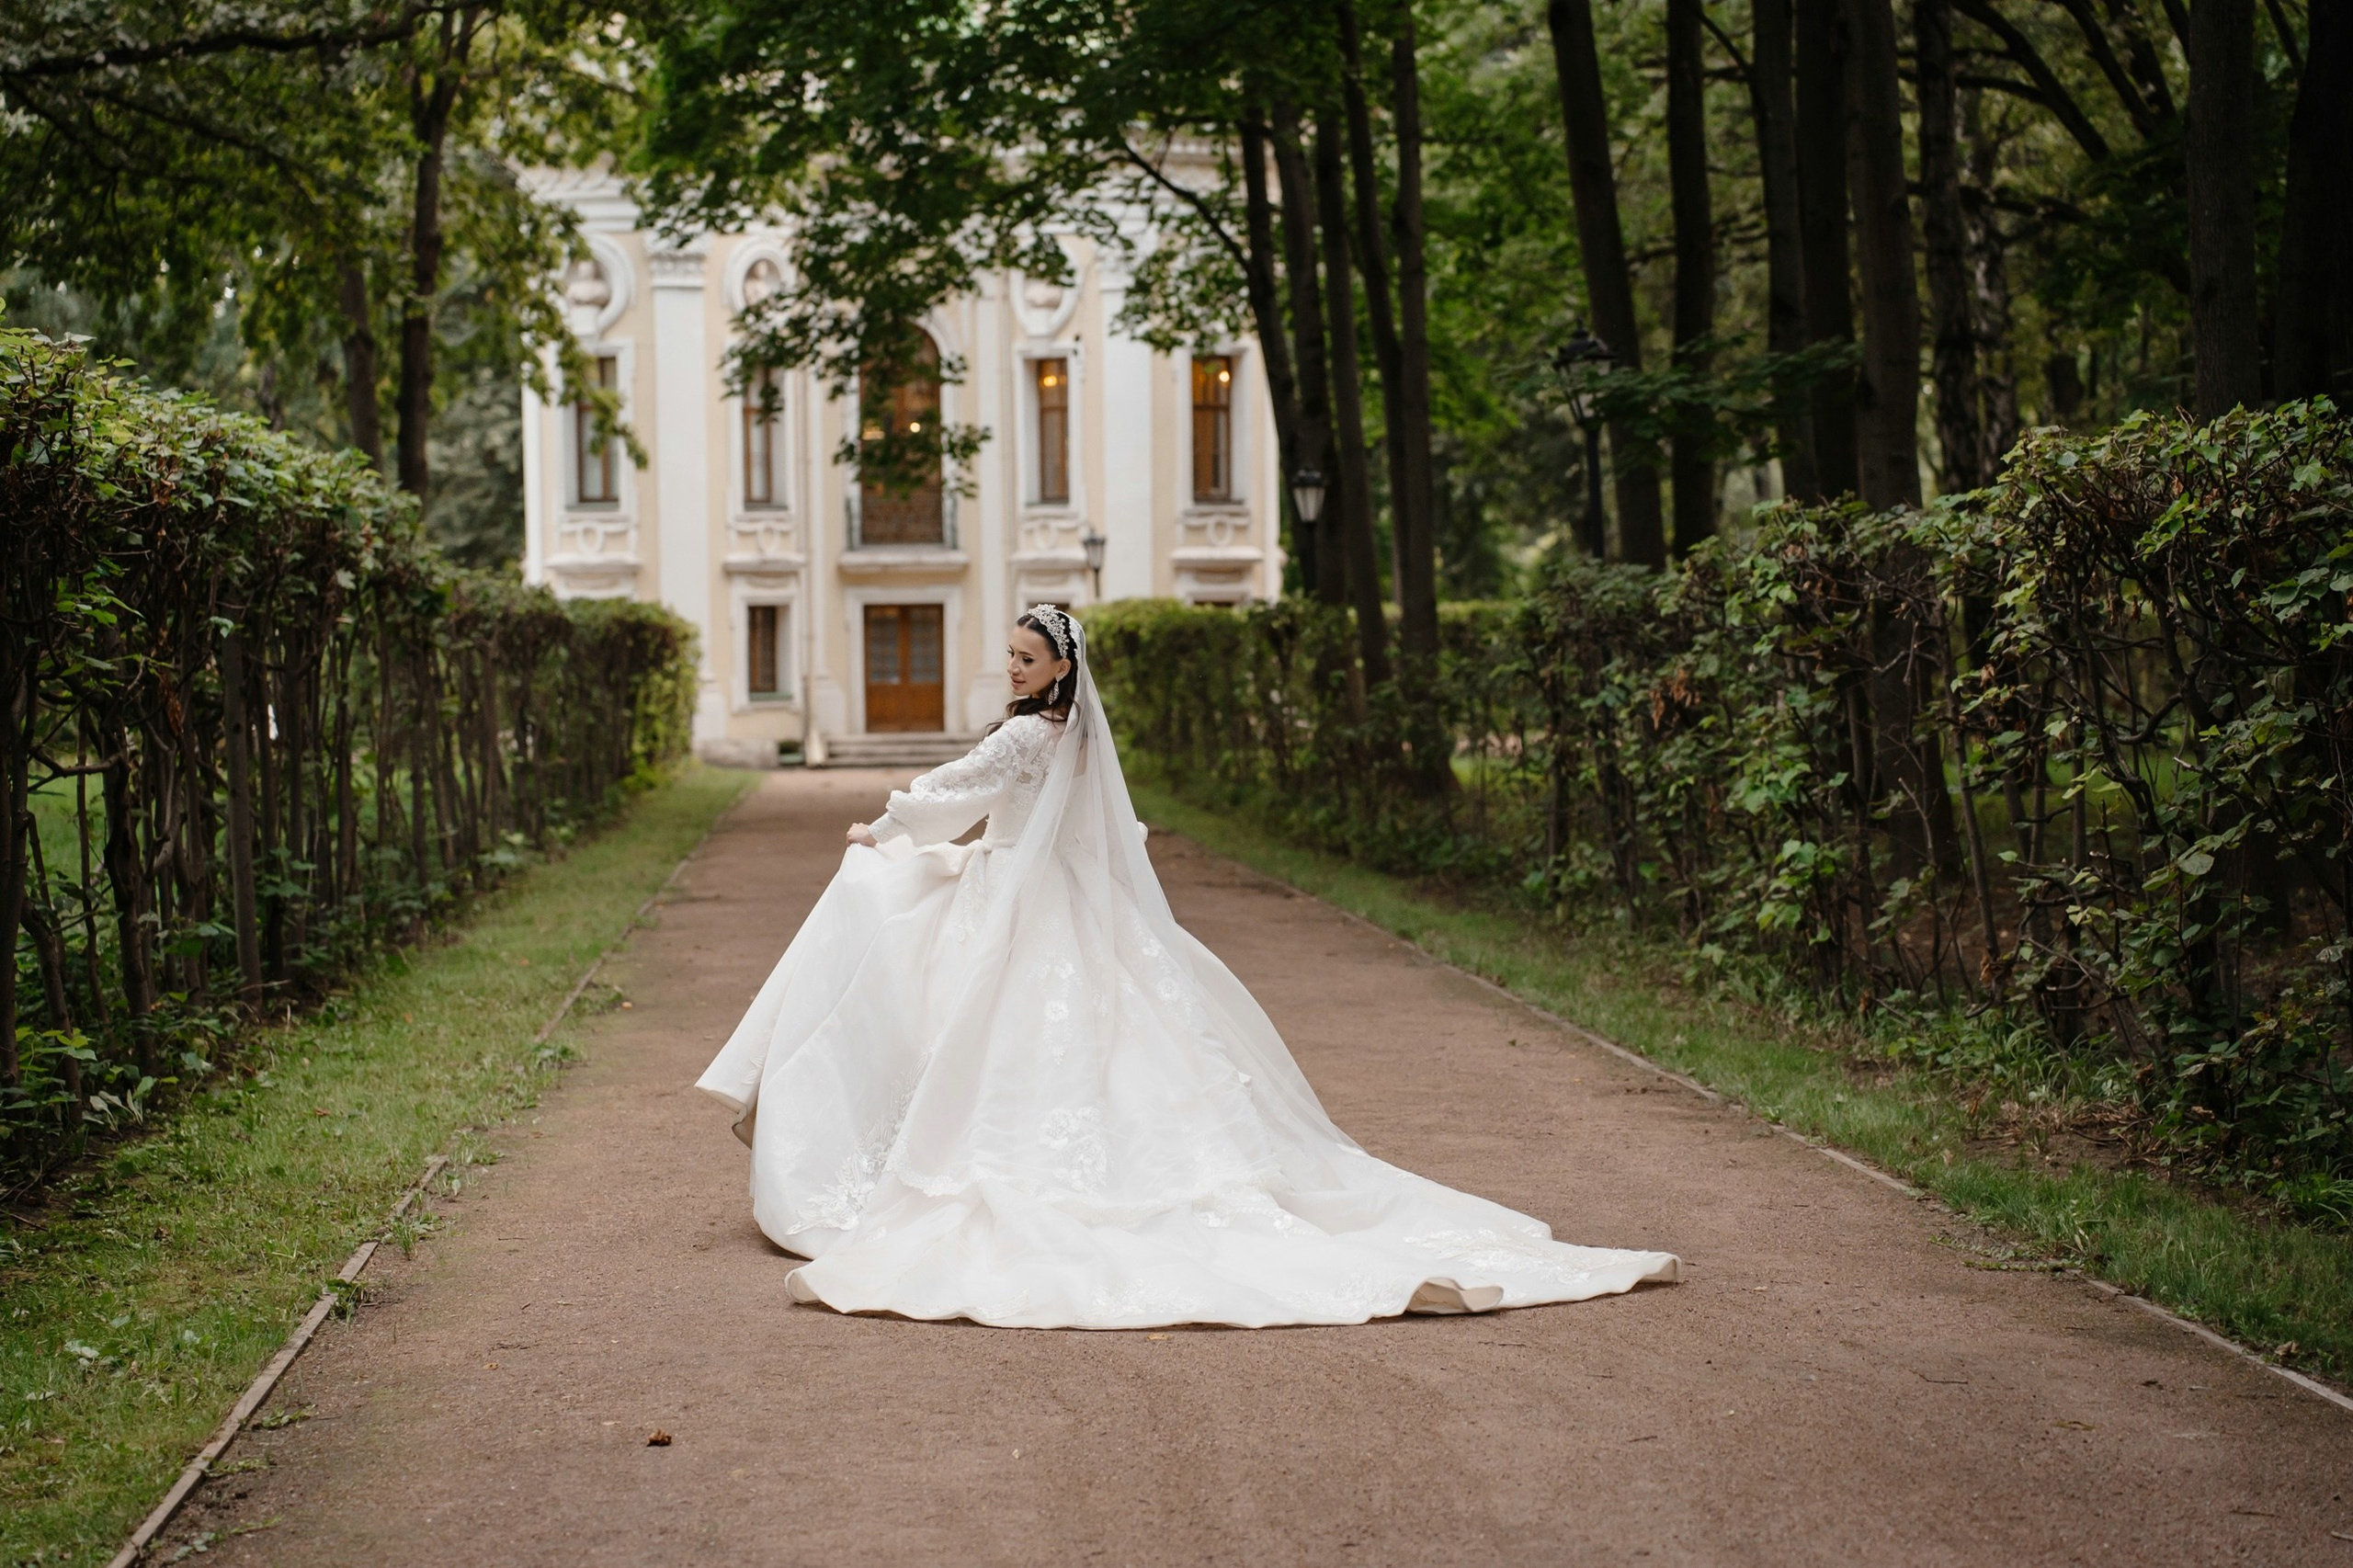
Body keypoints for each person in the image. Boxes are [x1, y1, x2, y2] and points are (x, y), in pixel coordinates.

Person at [696, 606, 1678, 1328]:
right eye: (1009, 652)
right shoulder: (1075, 738)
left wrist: (882, 826)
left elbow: (949, 795)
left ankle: (894, 1145)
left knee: (892, 921)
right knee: (1106, 1034)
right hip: (1075, 904)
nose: (1011, 664)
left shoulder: (1018, 736)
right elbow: (1101, 828)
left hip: (1011, 897)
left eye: (1024, 656)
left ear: (1054, 669)